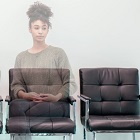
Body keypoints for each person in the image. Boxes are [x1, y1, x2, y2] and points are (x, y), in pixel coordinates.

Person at [10, 2, 77, 140]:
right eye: (36, 27)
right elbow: (16, 86)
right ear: (30, 29)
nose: (40, 31)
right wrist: (26, 96)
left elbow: (71, 83)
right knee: (15, 106)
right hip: (29, 104)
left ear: (47, 30)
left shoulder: (58, 53)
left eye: (44, 28)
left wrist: (56, 97)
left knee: (20, 111)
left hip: (55, 105)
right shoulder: (21, 57)